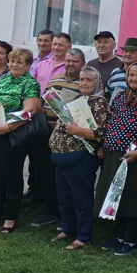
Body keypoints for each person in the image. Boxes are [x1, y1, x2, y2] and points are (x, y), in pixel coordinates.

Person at [95, 62, 137, 255]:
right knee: (116, 196)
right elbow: (111, 122)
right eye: (131, 75)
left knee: (132, 197)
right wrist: (104, 144)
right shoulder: (119, 97)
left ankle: (131, 240)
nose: (134, 78)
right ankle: (119, 237)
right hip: (114, 153)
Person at [0, 48, 41, 233]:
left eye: (19, 62)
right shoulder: (2, 79)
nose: (14, 65)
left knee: (11, 176)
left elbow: (29, 111)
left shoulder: (30, 83)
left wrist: (9, 127)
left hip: (12, 136)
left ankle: (10, 217)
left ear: (28, 65)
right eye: (12, 61)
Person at [49, 67, 110, 250]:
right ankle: (68, 229)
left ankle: (83, 236)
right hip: (60, 158)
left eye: (88, 80)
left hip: (80, 159)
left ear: (96, 82)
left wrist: (77, 131)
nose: (83, 83)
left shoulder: (99, 103)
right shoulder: (75, 99)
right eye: (81, 79)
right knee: (64, 198)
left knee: (81, 199)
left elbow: (100, 133)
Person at [29, 48, 85, 228]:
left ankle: (67, 215)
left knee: (68, 181)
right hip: (48, 136)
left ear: (82, 63)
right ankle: (51, 211)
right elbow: (42, 102)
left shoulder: (84, 83)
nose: (70, 64)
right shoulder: (54, 80)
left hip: (71, 141)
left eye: (74, 61)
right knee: (47, 176)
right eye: (68, 60)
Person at [87, 31, 123, 97]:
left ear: (114, 45)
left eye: (106, 42)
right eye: (99, 42)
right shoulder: (90, 65)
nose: (101, 45)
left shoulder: (120, 66)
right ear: (95, 45)